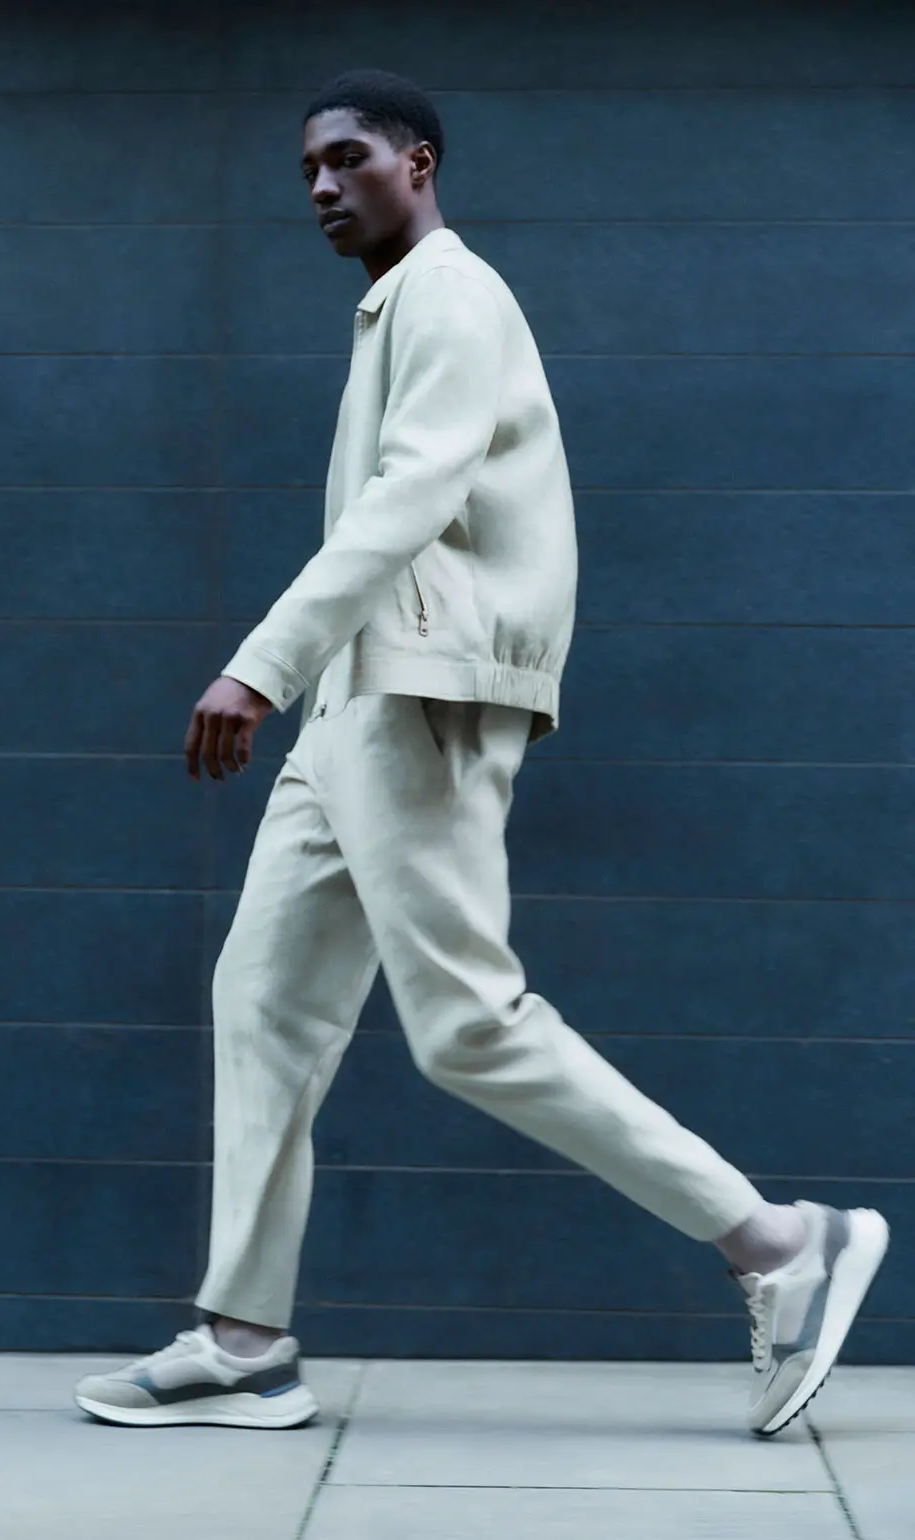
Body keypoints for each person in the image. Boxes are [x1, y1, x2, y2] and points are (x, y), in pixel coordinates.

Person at [75, 69, 888, 1438]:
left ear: (421, 162)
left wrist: (257, 663)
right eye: (308, 173)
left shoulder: (454, 294)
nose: (325, 187)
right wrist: (309, 681)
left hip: (416, 693)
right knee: (263, 997)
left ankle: (776, 1243)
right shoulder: (395, 306)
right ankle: (244, 1335)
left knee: (464, 1024)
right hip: (356, 701)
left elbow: (415, 493)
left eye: (350, 160)